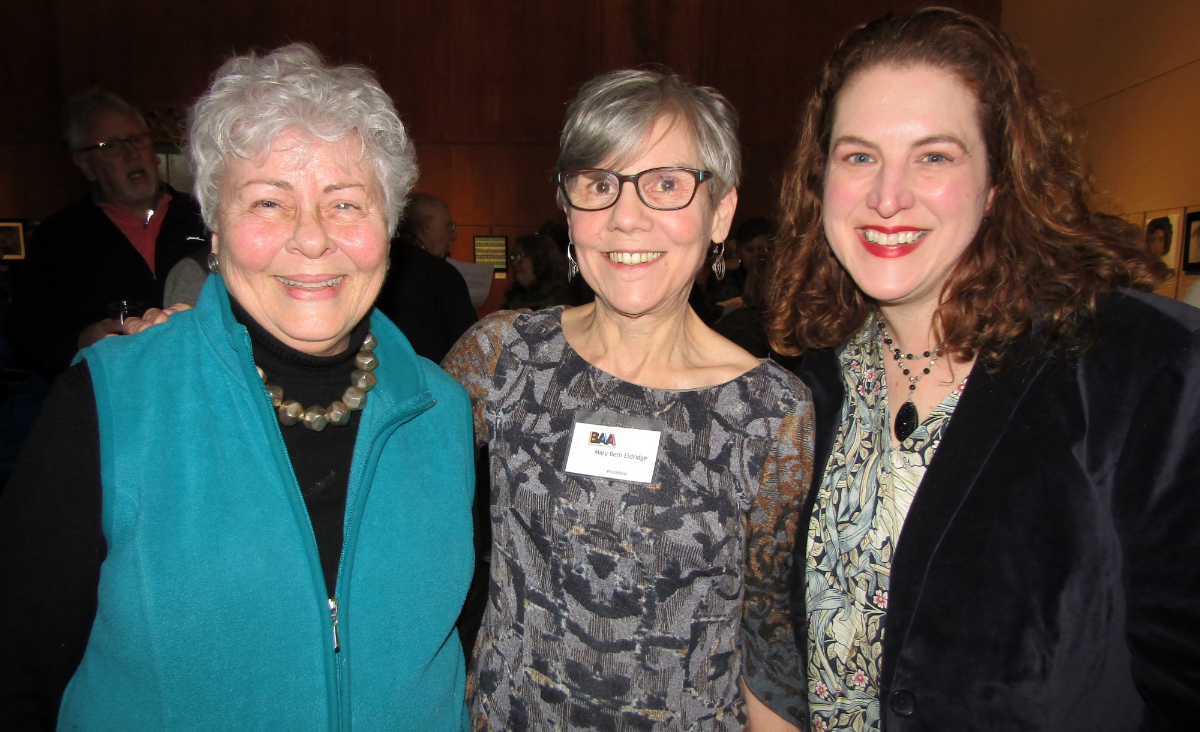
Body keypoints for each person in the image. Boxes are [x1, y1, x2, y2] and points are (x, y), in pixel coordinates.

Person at [749, 8, 1200, 731]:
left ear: (1000, 180)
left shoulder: (1145, 371)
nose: (887, 196)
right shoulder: (815, 386)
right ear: (819, 179)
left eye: (934, 156)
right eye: (859, 156)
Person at [0, 44, 474, 730]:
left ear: (389, 229)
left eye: (346, 203)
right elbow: (20, 677)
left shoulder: (442, 411)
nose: (311, 240)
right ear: (215, 231)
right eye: (269, 203)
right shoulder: (111, 404)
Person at [443, 68, 813, 729]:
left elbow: (768, 631)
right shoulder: (504, 356)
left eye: (666, 183)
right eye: (599, 183)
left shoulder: (772, 412)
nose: (625, 217)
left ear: (720, 211)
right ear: (568, 208)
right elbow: (366, 456)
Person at [3, 90, 208, 380]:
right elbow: (27, 332)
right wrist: (79, 342)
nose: (131, 153)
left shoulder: (203, 216)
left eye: (137, 140)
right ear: (85, 165)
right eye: (110, 145)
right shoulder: (58, 237)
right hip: (111, 385)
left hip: (204, 377)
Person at [374, 196, 479, 362]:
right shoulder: (442, 275)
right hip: (432, 380)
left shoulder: (374, 267)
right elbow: (470, 344)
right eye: (448, 226)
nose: (453, 236)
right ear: (429, 223)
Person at [499, 232, 572, 310]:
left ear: (540, 259)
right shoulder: (515, 299)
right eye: (514, 256)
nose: (514, 263)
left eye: (520, 256)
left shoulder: (560, 300)